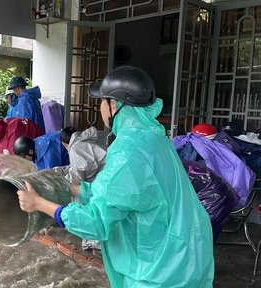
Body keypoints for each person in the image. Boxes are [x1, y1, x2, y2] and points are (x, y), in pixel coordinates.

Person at [17, 66, 214, 287]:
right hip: (187, 254)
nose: (100, 107)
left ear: (114, 105)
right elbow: (119, 194)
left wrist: (39, 203)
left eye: (102, 101)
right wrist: (69, 187)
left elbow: (95, 222)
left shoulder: (128, 152)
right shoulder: (154, 139)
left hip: (160, 270)